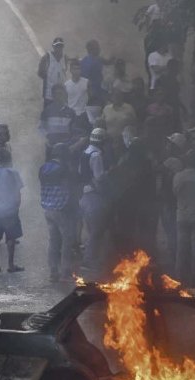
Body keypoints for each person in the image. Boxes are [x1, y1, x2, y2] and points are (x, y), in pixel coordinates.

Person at [39, 143, 77, 282]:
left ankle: (53, 271)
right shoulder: (64, 169)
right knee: (67, 240)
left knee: (53, 240)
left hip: (48, 209)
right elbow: (68, 188)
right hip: (61, 209)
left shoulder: (43, 168)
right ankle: (65, 272)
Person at [173, 149, 195, 288]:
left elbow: (175, 193)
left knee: (181, 249)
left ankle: (180, 280)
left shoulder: (177, 176)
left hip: (181, 216)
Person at [0, 148, 24, 273]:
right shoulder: (13, 173)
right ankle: (10, 265)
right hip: (10, 210)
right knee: (11, 238)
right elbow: (18, 193)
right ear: (9, 159)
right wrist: (16, 207)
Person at [79, 128, 108, 271]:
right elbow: (99, 177)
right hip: (93, 196)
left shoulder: (85, 152)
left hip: (84, 196)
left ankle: (92, 260)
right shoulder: (96, 155)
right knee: (96, 231)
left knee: (91, 229)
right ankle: (89, 261)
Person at [101, 89, 136, 164]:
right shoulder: (106, 108)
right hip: (109, 140)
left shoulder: (129, 108)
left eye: (119, 96)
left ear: (122, 97)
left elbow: (135, 124)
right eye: (115, 96)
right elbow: (102, 123)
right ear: (111, 97)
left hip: (124, 141)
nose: (117, 97)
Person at [38, 37, 68, 111]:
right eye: (57, 46)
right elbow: (40, 72)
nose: (59, 48)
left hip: (61, 95)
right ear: (53, 47)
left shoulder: (65, 58)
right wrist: (49, 79)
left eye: (60, 46)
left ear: (63, 47)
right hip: (49, 95)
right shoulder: (46, 57)